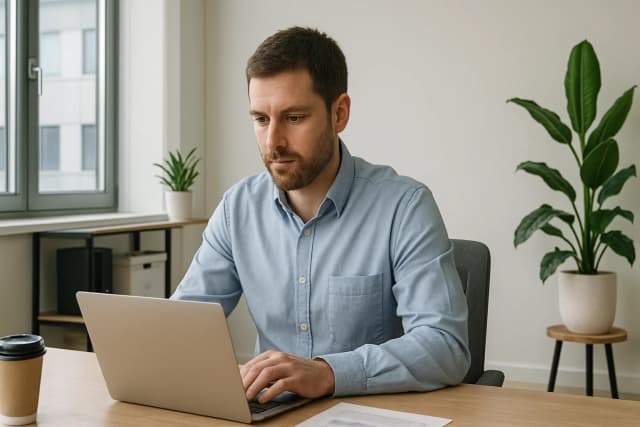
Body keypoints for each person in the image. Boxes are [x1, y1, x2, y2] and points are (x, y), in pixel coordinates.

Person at [171, 26, 470, 404]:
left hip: (373, 414)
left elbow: (446, 347)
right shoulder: (238, 208)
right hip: (274, 413)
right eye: (261, 119)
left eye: (294, 118)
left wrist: (329, 372)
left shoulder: (404, 206)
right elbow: (180, 327)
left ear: (339, 113)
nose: (273, 142)